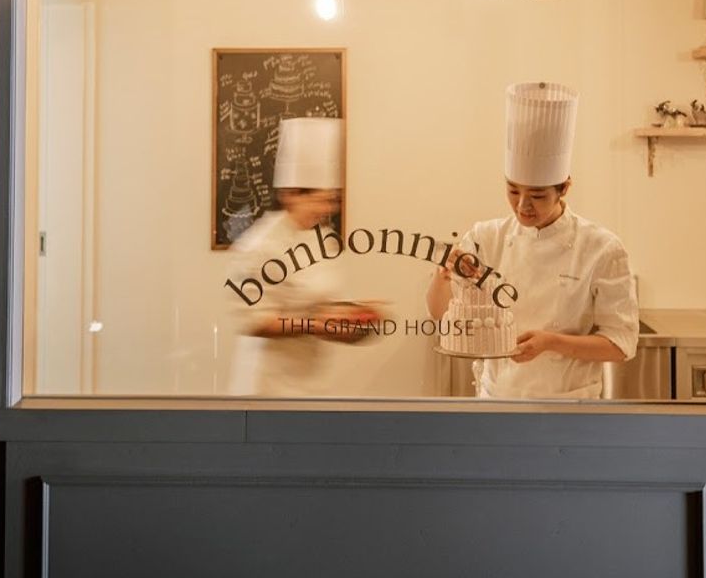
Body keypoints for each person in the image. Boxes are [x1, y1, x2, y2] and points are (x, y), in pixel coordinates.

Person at [426, 82, 638, 399]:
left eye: (537, 196)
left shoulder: (601, 247)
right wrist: (442, 274)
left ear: (564, 188)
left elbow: (621, 344)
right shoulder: (486, 238)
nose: (523, 205)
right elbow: (441, 315)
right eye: (513, 191)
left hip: (568, 405)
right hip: (496, 400)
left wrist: (551, 342)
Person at [227, 117, 382, 396]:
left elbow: (321, 305)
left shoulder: (323, 240)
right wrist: (316, 325)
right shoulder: (260, 245)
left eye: (330, 200)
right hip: (268, 386)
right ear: (290, 195)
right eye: (319, 200)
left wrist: (352, 315)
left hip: (311, 382)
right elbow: (256, 321)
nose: (327, 209)